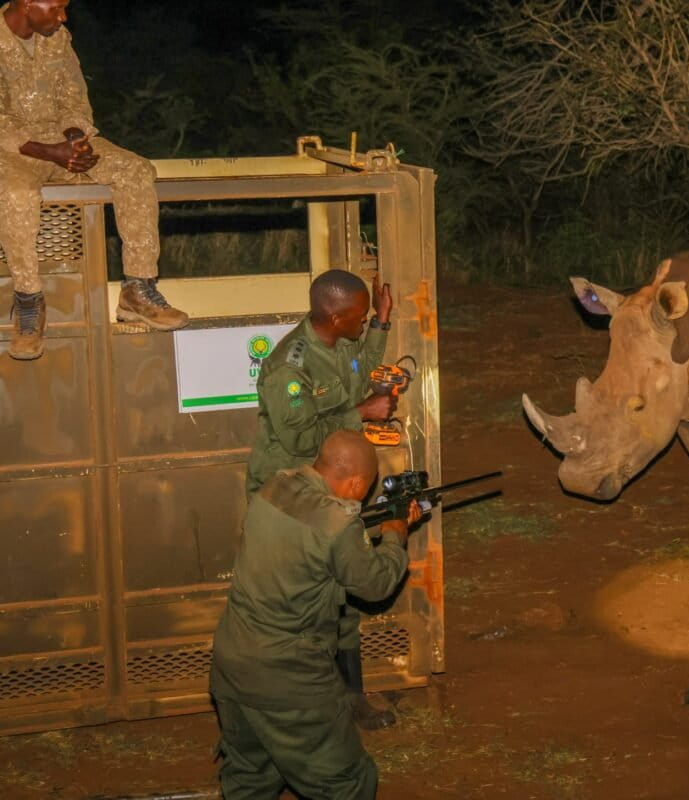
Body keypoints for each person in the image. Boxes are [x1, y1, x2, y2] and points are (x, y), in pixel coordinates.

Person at [211, 430, 423, 800]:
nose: (362, 496)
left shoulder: (274, 487)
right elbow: (375, 584)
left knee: (250, 778)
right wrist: (395, 534)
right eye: (365, 489)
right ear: (356, 480)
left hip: (233, 664)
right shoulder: (338, 524)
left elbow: (313, 539)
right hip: (289, 676)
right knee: (348, 783)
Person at [246, 267, 398, 728]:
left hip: (329, 491)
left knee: (344, 601)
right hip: (288, 498)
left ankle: (351, 702)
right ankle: (298, 710)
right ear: (335, 317)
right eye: (360, 315)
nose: (363, 320)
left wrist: (382, 323)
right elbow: (298, 443)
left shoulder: (339, 342)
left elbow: (360, 366)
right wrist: (361, 413)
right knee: (303, 608)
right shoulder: (288, 369)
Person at [0, 0, 188, 361]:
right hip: (16, 153)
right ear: (26, 4)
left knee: (135, 170)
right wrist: (50, 152)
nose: (63, 16)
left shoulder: (57, 38)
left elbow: (74, 99)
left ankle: (138, 289)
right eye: (55, 7)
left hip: (59, 145)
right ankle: (28, 304)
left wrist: (74, 137)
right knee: (17, 193)